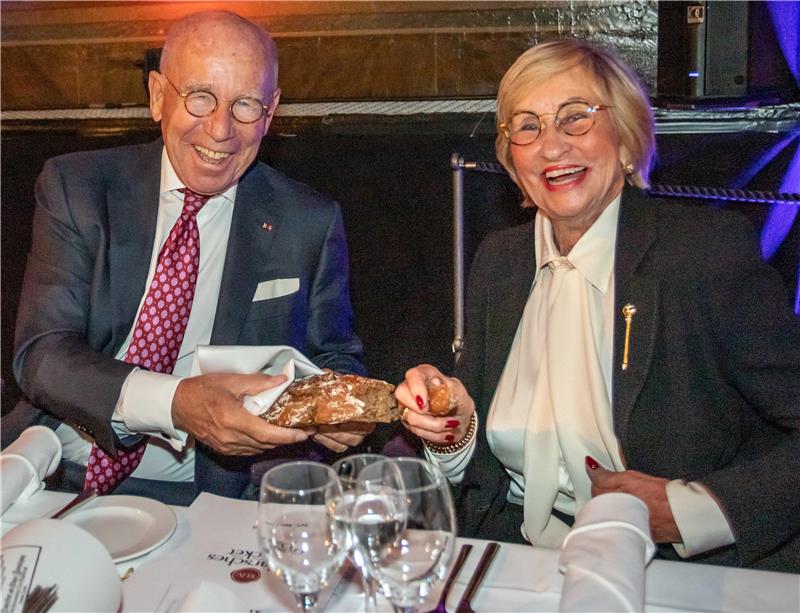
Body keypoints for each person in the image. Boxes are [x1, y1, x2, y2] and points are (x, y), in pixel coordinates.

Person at [395, 39, 800, 572]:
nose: (552, 146)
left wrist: (691, 511)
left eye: (575, 119)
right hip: (518, 560)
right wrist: (456, 429)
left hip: (669, 572)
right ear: (512, 157)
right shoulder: (501, 262)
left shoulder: (702, 254)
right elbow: (485, 471)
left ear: (627, 138)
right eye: (528, 126)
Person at [6, 11, 371, 504]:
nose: (220, 129)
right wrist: (176, 402)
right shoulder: (79, 189)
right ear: (158, 96)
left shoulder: (309, 220)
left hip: (209, 493)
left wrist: (341, 410)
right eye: (201, 97)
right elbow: (42, 354)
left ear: (271, 112)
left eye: (245, 104)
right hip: (57, 469)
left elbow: (331, 358)